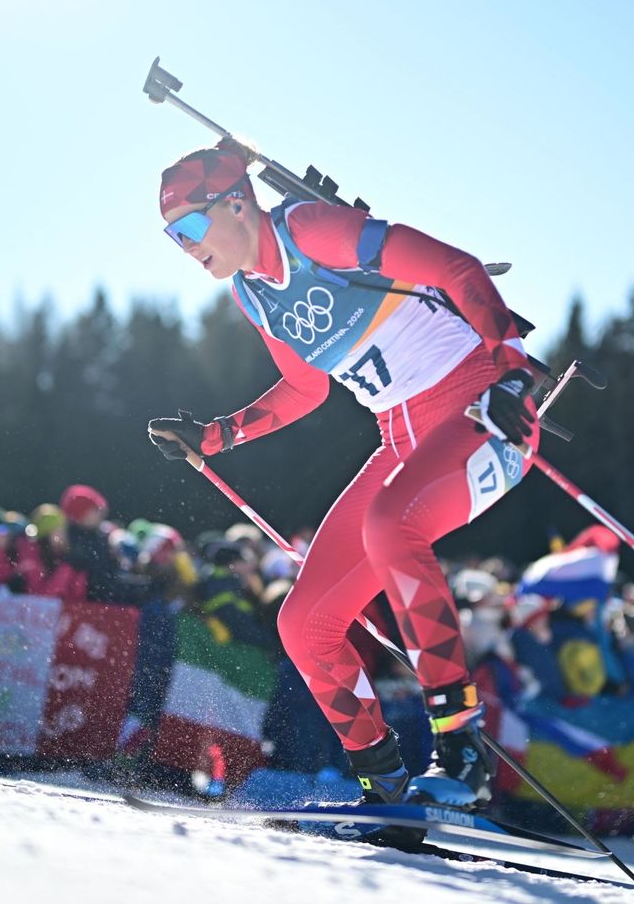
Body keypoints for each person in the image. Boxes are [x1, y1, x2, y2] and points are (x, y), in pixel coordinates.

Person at [146, 142, 540, 817]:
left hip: (486, 408)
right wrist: (217, 435)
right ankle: (384, 782)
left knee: (393, 525)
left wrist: (511, 368)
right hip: (402, 437)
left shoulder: (310, 231)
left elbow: (454, 266)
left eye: (190, 227)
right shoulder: (252, 294)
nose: (186, 248)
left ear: (237, 202)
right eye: (171, 237)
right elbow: (305, 389)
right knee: (305, 623)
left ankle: (462, 746)